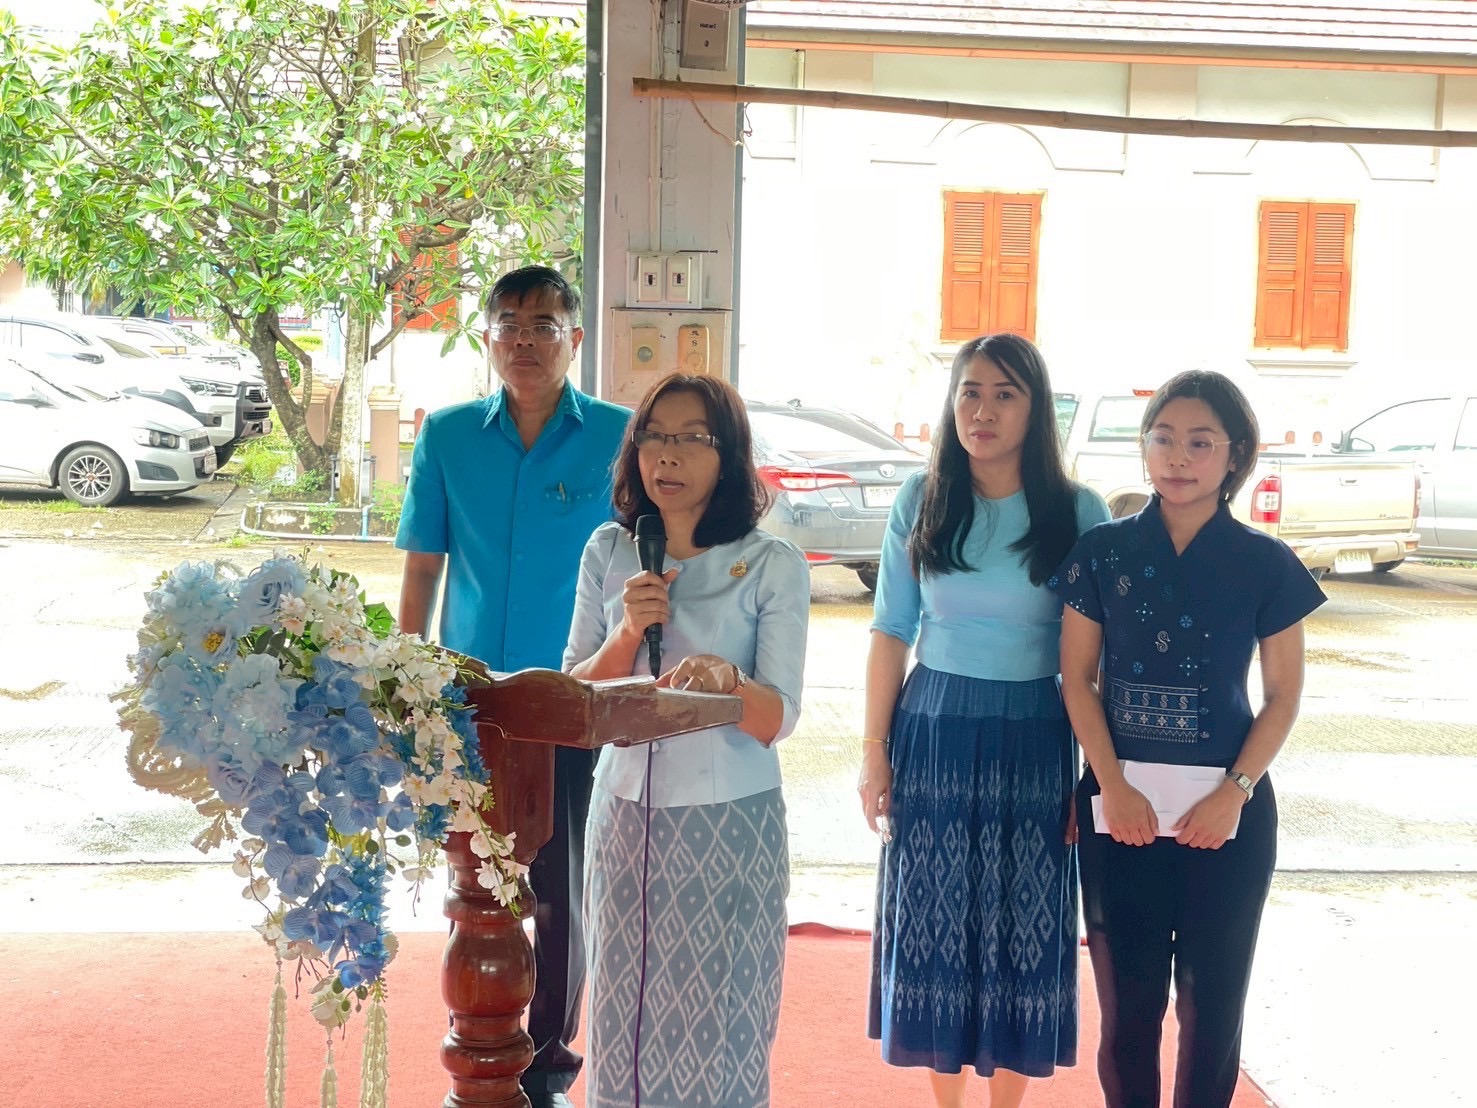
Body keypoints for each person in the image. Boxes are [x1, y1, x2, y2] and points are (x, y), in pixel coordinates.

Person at [1052, 370, 1326, 1108]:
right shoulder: (1101, 553)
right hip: (1120, 810)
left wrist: (1233, 793)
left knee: (1211, 1014)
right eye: (1163, 438)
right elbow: (1074, 679)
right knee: (1128, 1013)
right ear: (1143, 448)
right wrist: (1109, 784)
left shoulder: (1266, 563)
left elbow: (1283, 694)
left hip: (1226, 815)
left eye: (1199, 442)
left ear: (1233, 455)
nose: (1178, 457)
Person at [395, 265, 630, 1108]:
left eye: (544, 324)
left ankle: (547, 1064)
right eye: (508, 324)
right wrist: (403, 674)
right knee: (476, 879)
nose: (524, 340)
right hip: (469, 706)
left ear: (575, 337)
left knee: (562, 885)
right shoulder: (450, 435)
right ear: (485, 336)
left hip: (575, 700)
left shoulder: (616, 435)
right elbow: (424, 565)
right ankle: (480, 1038)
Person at [860, 333, 1109, 1108]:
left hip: (1037, 730)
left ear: (1035, 409)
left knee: (1019, 929)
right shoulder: (922, 497)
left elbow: (1095, 659)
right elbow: (890, 630)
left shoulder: (1076, 510)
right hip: (932, 726)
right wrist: (873, 751)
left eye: (1005, 393)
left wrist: (1096, 771)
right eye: (969, 391)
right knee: (935, 922)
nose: (983, 410)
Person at [562, 373, 809, 1108]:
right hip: (624, 812)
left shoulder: (770, 564)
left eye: (690, 438)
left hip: (726, 820)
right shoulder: (610, 551)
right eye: (653, 436)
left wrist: (730, 683)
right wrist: (628, 632)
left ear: (728, 455)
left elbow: (779, 717)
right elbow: (577, 698)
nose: (666, 455)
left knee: (721, 1009)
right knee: (622, 1007)